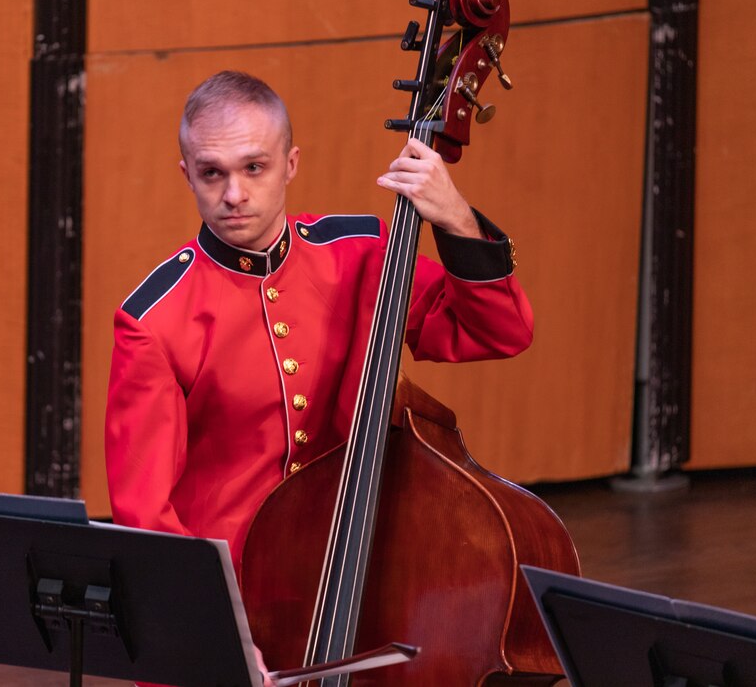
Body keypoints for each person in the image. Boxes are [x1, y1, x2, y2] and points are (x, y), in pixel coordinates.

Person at [104, 71, 532, 680]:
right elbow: (143, 513)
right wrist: (212, 629)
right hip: (233, 600)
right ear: (186, 175)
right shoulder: (155, 319)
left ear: (290, 163)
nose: (233, 194)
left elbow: (499, 330)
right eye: (212, 173)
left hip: (363, 580)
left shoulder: (361, 254)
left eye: (254, 167)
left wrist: (456, 218)